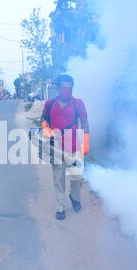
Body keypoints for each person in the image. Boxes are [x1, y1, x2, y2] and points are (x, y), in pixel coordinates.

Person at [40, 74, 90, 220]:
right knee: (58, 178)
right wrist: (47, 131)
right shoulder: (50, 104)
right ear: (57, 88)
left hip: (73, 145)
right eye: (64, 88)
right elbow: (43, 119)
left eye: (70, 88)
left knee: (77, 177)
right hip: (55, 146)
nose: (67, 91)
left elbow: (85, 122)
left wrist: (86, 143)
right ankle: (60, 207)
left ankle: (74, 197)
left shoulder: (78, 103)